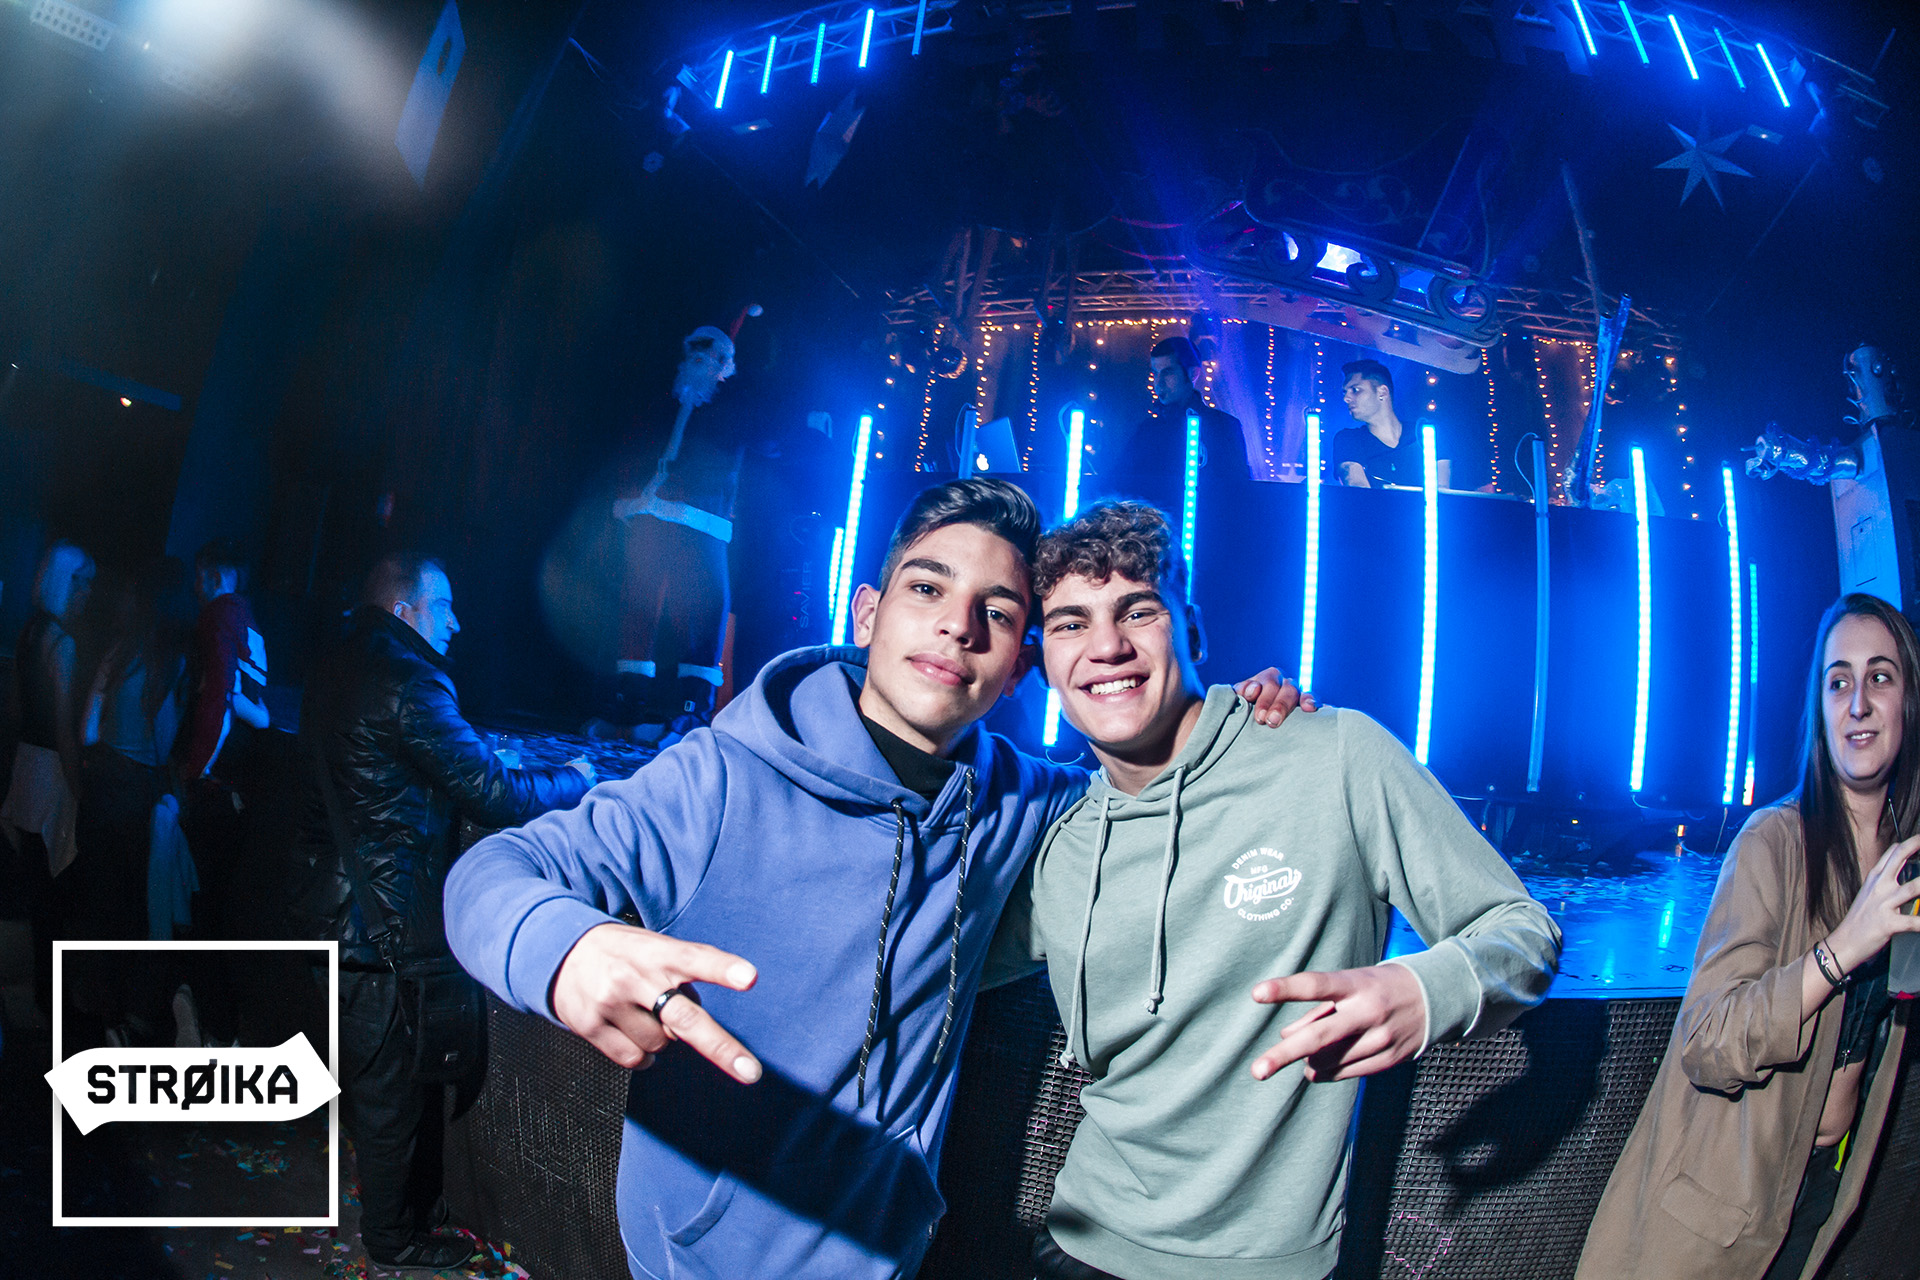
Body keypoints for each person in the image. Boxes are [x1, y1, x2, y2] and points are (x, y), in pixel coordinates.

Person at [443, 478, 1300, 1280]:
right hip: (705, 1255)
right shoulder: (721, 779)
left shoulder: (1023, 801)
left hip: (889, 1249)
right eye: (927, 588)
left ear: (1018, 669)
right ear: (867, 613)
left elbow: (1152, 783)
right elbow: (492, 869)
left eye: (997, 612)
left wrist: (1236, 718)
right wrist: (566, 950)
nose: (957, 625)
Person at [989, 499, 1561, 1280]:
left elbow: (1522, 929)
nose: (1107, 646)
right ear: (1040, 662)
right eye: (1070, 624)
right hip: (1079, 1243)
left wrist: (1426, 989)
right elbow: (934, 968)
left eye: (1138, 611)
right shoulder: (1060, 835)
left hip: (1270, 1265)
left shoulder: (1334, 756)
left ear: (1191, 631)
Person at [1576, 593, 1919, 1280]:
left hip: (1817, 1192)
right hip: (1723, 1212)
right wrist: (1842, 950)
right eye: (1838, 682)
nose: (1858, 703)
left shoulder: (1905, 863)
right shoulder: (1775, 843)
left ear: (1908, 701)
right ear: (1819, 712)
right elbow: (1708, 1042)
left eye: (1879, 677)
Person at [291, 552, 593, 1271]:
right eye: (445, 606)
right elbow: (495, 793)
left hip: (333, 908)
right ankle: (393, 1239)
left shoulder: (339, 661)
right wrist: (574, 777)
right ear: (407, 611)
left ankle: (401, 1217)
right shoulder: (409, 680)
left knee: (375, 1082)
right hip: (380, 924)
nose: (456, 622)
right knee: (391, 1091)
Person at [607, 325, 745, 739]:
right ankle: (629, 704)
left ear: (725, 367)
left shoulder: (730, 410)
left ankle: (691, 712)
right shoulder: (661, 402)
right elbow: (633, 448)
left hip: (700, 519)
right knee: (639, 607)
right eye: (696, 356)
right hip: (650, 513)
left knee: (704, 612)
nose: (702, 364)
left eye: (714, 358)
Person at [1, 541, 94, 1022]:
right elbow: (62, 727)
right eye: (83, 584)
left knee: (38, 889)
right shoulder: (62, 643)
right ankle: (53, 1000)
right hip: (51, 776)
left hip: (26, 768)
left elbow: (16, 709)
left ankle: (44, 995)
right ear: (67, 583)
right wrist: (78, 787)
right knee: (55, 895)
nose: (88, 594)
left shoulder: (30, 632)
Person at [1106, 337, 1249, 510]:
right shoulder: (1147, 430)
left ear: (1193, 374)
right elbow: (1119, 483)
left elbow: (1238, 492)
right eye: (1155, 373)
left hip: (1208, 522)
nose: (1159, 382)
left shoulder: (1223, 427)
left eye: (1168, 373)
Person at [1327, 358, 1452, 489]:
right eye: (1345, 392)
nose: (1346, 398)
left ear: (1382, 392)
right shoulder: (1348, 439)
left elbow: (1442, 491)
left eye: (1355, 390)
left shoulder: (1426, 434)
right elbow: (1358, 489)